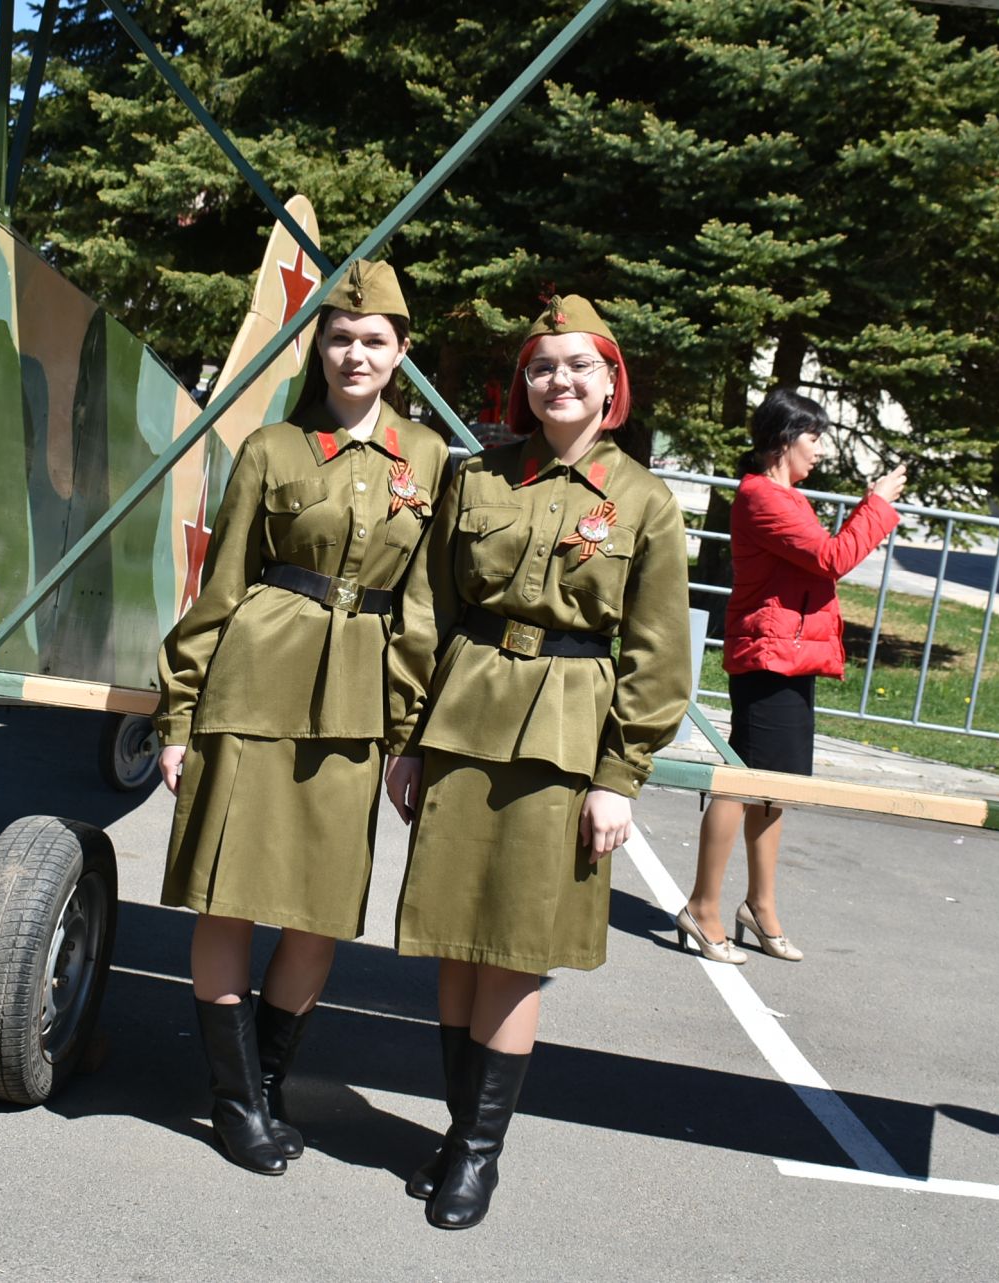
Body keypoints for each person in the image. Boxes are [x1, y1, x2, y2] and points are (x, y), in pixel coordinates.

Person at [385, 295, 690, 1229]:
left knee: (515, 950)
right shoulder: (479, 478)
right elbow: (429, 610)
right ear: (526, 384)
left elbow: (657, 654)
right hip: (463, 714)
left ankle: (478, 1154)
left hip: (564, 733)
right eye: (543, 366)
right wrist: (404, 735)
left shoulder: (644, 501)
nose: (559, 380)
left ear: (611, 383)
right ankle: (453, 1126)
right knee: (448, 936)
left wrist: (619, 777)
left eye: (578, 365)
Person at [153, 260, 449, 1175]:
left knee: (321, 910)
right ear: (318, 346)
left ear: (400, 354)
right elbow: (222, 586)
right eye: (339, 336)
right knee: (229, 895)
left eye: (374, 340)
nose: (354, 352)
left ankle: (269, 1082)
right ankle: (236, 1100)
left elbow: (426, 610)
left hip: (357, 703)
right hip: (254, 684)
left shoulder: (431, 461)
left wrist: (405, 734)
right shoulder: (274, 450)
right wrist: (178, 715)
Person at [678, 387, 906, 964]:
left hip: (791, 655)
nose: (822, 449)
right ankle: (703, 908)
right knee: (742, 779)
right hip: (767, 658)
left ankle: (760, 906)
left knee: (776, 788)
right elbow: (832, 558)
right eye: (815, 437)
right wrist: (877, 504)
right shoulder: (762, 498)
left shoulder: (788, 496)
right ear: (783, 439)